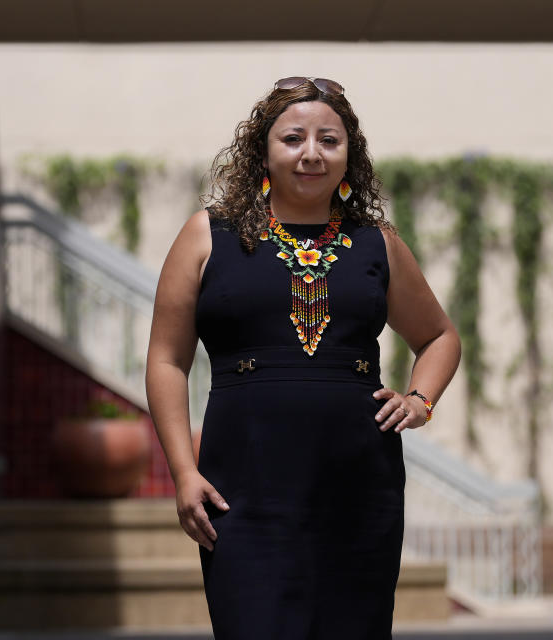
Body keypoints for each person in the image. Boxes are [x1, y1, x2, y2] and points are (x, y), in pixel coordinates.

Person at [145, 76, 461, 639]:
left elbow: (439, 337)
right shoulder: (206, 236)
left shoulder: (377, 243)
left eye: (329, 140)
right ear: (263, 149)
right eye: (293, 138)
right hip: (242, 483)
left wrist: (420, 401)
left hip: (359, 484)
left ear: (349, 155)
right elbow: (168, 360)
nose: (311, 153)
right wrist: (182, 472)